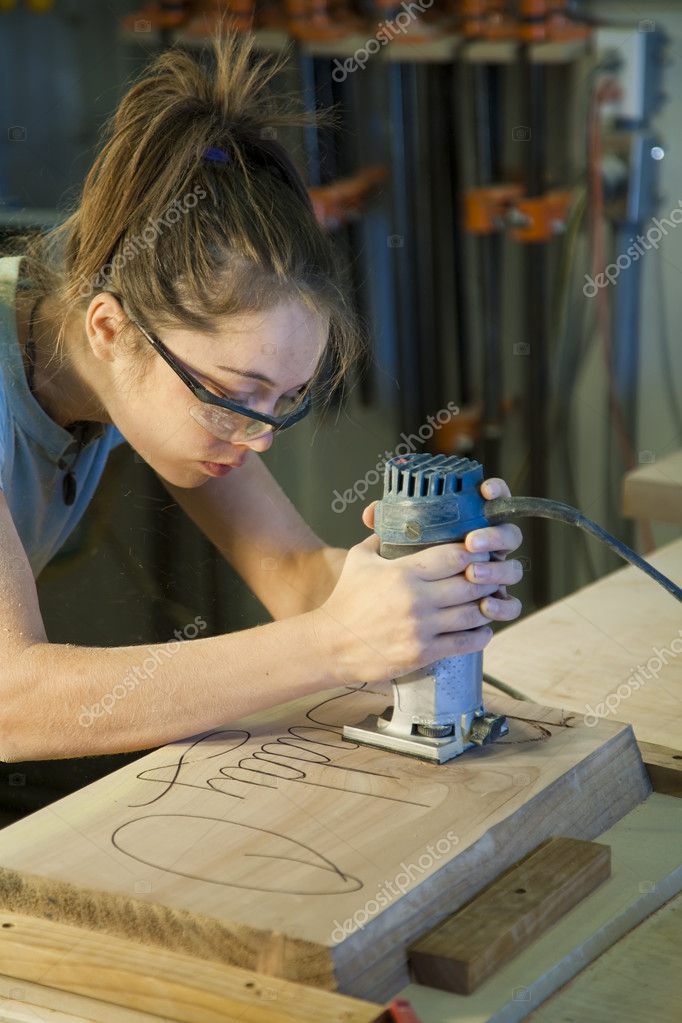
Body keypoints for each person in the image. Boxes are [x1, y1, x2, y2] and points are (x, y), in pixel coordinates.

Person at [0, 30, 523, 818]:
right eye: (234, 394)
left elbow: (296, 574)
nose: (258, 436)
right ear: (110, 330)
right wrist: (336, 643)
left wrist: (416, 585)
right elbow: (14, 699)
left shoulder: (123, 298)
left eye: (285, 399)